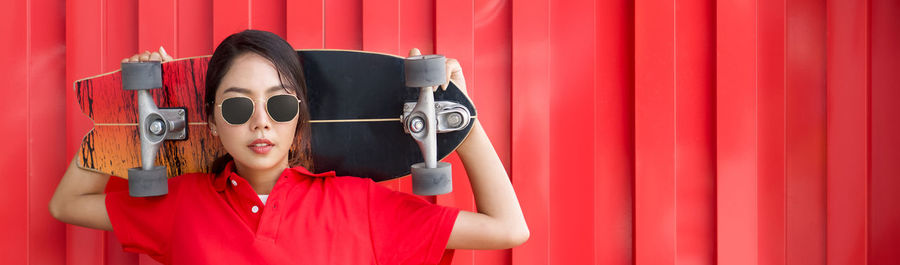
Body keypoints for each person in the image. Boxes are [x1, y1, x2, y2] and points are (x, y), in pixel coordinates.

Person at [49, 30, 528, 264]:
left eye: (278, 105)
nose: (260, 121)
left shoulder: (358, 205)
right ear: (211, 121)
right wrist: (132, 113)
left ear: (299, 117)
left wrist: (460, 116)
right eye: (238, 107)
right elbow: (66, 202)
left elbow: (506, 228)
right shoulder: (183, 204)